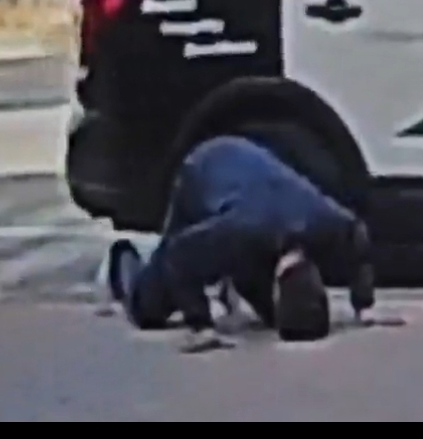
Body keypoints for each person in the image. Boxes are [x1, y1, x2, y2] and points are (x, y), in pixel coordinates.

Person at [106, 135, 376, 351]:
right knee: (149, 307)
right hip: (202, 169)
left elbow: (359, 235)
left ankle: (235, 281)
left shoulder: (328, 225)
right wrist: (201, 324)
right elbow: (179, 255)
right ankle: (124, 259)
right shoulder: (241, 231)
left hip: (247, 175)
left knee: (248, 266)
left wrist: (362, 307)